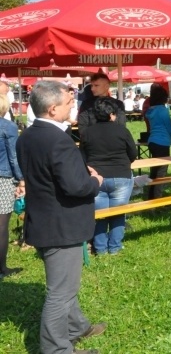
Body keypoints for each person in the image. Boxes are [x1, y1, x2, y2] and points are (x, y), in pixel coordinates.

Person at [15, 80, 106, 354]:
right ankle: (56, 349)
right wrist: (95, 180)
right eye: (68, 103)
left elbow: (45, 176)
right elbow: (75, 187)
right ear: (53, 108)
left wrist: (79, 171)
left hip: (43, 220)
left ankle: (77, 327)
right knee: (60, 293)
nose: (72, 107)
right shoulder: (57, 140)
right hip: (61, 225)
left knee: (65, 284)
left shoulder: (28, 136)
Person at [80, 97, 137, 256]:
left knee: (99, 215)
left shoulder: (87, 133)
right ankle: (115, 247)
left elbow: (82, 156)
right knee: (118, 213)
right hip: (121, 176)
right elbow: (133, 154)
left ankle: (100, 248)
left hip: (96, 178)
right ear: (112, 114)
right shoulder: (122, 130)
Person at [0, 94, 23, 278]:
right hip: (3, 178)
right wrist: (21, 179)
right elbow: (14, 158)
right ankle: (2, 268)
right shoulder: (8, 127)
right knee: (1, 227)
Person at [145, 84, 171, 200]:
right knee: (161, 173)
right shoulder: (163, 111)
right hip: (162, 143)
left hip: (152, 141)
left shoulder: (151, 110)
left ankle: (150, 196)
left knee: (154, 170)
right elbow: (168, 126)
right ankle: (157, 199)